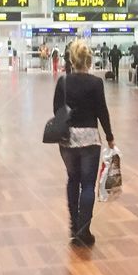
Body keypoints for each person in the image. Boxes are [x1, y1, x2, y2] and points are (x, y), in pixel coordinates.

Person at [53, 39, 115, 246]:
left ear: (71, 59)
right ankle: (83, 230)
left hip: (68, 139)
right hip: (90, 139)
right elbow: (102, 111)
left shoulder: (63, 82)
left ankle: (73, 225)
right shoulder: (96, 83)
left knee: (73, 180)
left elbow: (57, 110)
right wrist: (109, 136)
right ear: (89, 60)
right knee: (88, 185)